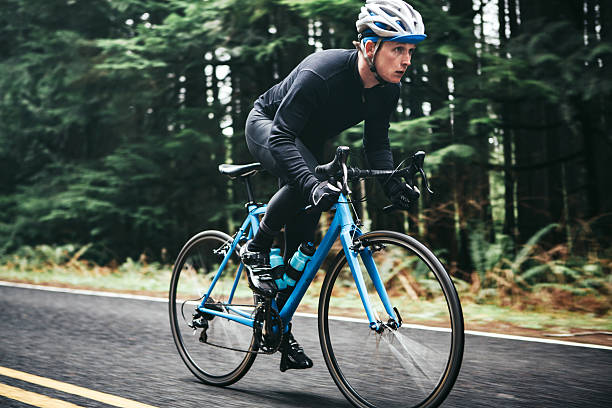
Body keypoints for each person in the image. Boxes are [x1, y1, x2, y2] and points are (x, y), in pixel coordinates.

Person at [240, 0, 426, 371]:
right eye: (398, 50)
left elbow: (377, 145)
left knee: (304, 253)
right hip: (269, 127)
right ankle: (254, 247)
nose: (406, 60)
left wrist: (391, 184)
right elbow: (281, 138)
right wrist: (309, 183)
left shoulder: (387, 89)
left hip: (307, 143)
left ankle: (276, 326)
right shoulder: (322, 71)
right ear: (370, 47)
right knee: (307, 182)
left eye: (410, 51)